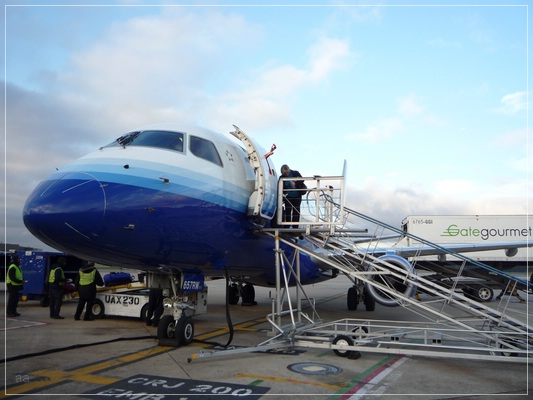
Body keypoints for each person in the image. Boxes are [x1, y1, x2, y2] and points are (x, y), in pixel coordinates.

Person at [280, 164, 306, 229]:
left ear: (289, 170)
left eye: (287, 172)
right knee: (288, 211)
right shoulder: (281, 178)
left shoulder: (295, 173)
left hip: (297, 195)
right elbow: (280, 186)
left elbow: (302, 180)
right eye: (285, 173)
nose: (287, 174)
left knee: (296, 211)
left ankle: (295, 226)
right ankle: (287, 225)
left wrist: (295, 183)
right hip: (288, 196)